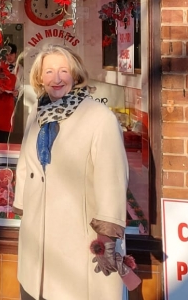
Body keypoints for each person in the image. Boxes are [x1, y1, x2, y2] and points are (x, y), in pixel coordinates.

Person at [14, 45, 129, 300]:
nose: (57, 79)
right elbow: (26, 163)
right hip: (37, 236)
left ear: (75, 75)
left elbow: (112, 178)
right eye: (49, 72)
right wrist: (22, 206)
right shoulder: (37, 112)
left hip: (77, 239)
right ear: (39, 78)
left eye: (63, 71)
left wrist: (107, 234)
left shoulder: (99, 117)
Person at [0, 43, 19, 143]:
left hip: (9, 104)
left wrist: (17, 92)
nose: (9, 57)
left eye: (11, 54)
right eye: (7, 55)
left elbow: (21, 86)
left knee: (6, 132)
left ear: (15, 54)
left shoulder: (19, 68)